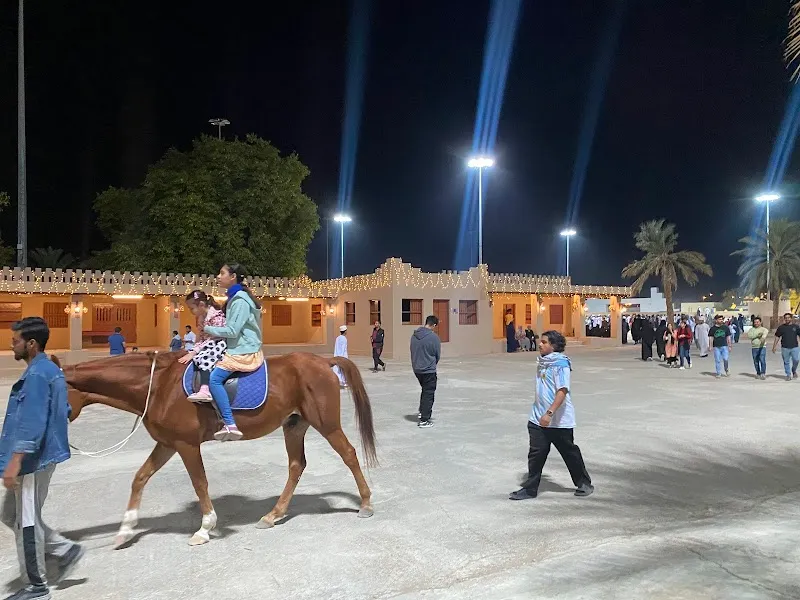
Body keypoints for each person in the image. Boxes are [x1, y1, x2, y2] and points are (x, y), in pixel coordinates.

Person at [0, 317, 84, 600]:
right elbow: (66, 410)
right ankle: (64, 549)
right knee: (11, 515)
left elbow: (33, 422)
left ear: (31, 344)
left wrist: (15, 461)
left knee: (26, 520)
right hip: (39, 457)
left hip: (32, 461)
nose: (12, 344)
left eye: (16, 340)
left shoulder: (38, 374)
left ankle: (36, 587)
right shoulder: (48, 369)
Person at [509, 330, 593, 501]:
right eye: (541, 341)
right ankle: (530, 489)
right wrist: (540, 414)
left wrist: (549, 414)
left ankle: (584, 483)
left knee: (569, 452)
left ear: (554, 346)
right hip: (537, 418)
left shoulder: (560, 364)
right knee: (536, 454)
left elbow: (562, 391)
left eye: (545, 342)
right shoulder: (543, 362)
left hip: (558, 419)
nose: (540, 344)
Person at [203, 263, 264, 442]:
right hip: (237, 346)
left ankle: (230, 423)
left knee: (214, 379)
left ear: (233, 277)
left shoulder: (239, 300)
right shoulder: (234, 298)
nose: (218, 276)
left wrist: (208, 329)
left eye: (222, 273)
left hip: (243, 350)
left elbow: (232, 331)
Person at [179, 291, 228, 401]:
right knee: (194, 356)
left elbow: (214, 337)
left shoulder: (217, 316)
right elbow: (201, 336)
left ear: (201, 305)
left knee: (205, 358)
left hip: (218, 342)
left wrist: (196, 351)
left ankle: (205, 389)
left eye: (191, 308)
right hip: (207, 343)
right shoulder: (201, 318)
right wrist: (194, 349)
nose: (190, 311)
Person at [410, 315, 441, 428]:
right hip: (428, 370)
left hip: (417, 369)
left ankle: (422, 411)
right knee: (429, 393)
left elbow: (412, 351)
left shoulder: (414, 336)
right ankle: (424, 419)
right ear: (434, 325)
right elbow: (437, 355)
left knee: (425, 390)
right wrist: (432, 364)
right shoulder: (434, 338)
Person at [772, 312, 800, 381]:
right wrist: (774, 346)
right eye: (786, 318)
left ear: (791, 318)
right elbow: (777, 337)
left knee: (796, 360)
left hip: (795, 347)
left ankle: (793, 370)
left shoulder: (796, 327)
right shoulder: (781, 328)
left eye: (788, 318)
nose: (787, 319)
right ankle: (788, 375)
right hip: (785, 348)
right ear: (784, 319)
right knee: (786, 362)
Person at [709, 314, 732, 378]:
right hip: (716, 347)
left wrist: (729, 346)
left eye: (722, 319)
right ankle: (718, 373)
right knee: (717, 360)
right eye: (719, 319)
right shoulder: (712, 329)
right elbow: (711, 338)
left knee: (725, 359)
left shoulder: (725, 327)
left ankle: (726, 369)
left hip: (724, 346)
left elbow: (728, 337)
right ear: (716, 320)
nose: (721, 320)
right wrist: (710, 346)